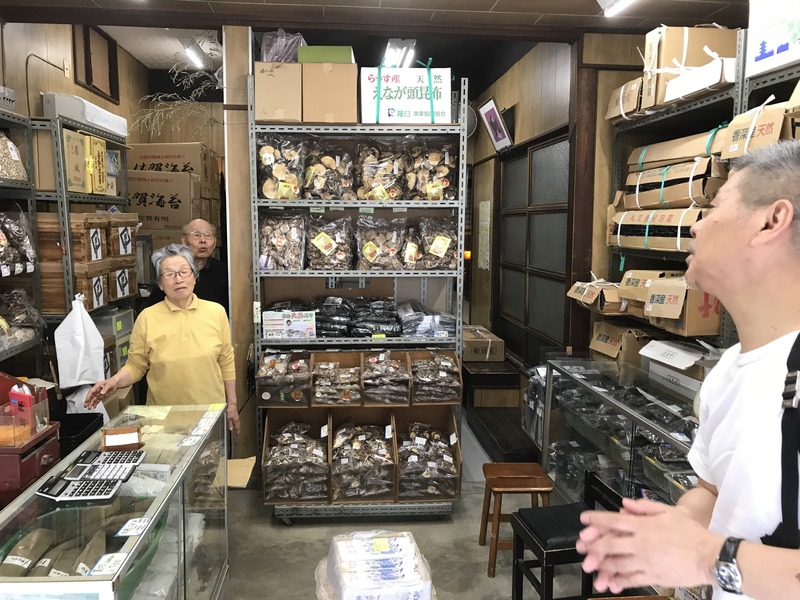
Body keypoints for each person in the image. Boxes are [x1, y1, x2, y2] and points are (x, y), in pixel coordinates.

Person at [577, 140, 800, 600]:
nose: (696, 225)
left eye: (714, 207)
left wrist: (703, 557)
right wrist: (672, 529)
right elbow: (713, 491)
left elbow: (710, 554)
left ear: (771, 221)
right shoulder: (729, 369)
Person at [86, 244, 240, 433]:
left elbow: (226, 360)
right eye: (169, 274)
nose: (178, 279)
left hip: (209, 415)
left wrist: (232, 404)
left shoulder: (216, 312)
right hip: (164, 420)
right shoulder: (147, 318)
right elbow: (136, 365)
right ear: (160, 283)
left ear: (194, 276)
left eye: (184, 272)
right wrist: (114, 382)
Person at [148, 219, 229, 315]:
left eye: (208, 235)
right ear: (184, 240)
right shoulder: (170, 271)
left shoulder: (224, 271)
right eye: (196, 235)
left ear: (215, 242)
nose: (203, 240)